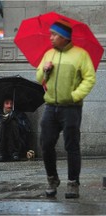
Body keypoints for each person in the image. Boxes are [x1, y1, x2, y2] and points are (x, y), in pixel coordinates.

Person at [36, 19, 96, 199]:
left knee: (72, 146)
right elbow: (39, 77)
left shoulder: (81, 55)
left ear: (65, 37)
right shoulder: (48, 54)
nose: (51, 38)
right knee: (46, 144)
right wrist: (45, 71)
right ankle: (52, 179)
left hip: (71, 108)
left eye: (54, 35)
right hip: (50, 107)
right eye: (51, 34)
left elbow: (89, 79)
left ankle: (73, 183)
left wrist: (75, 96)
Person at [0, 97, 31, 162]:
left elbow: (27, 128)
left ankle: (14, 152)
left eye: (11, 103)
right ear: (3, 105)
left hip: (16, 147)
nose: (9, 106)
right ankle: (0, 153)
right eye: (7, 103)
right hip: (0, 147)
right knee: (1, 124)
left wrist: (16, 120)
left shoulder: (19, 114)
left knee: (13, 122)